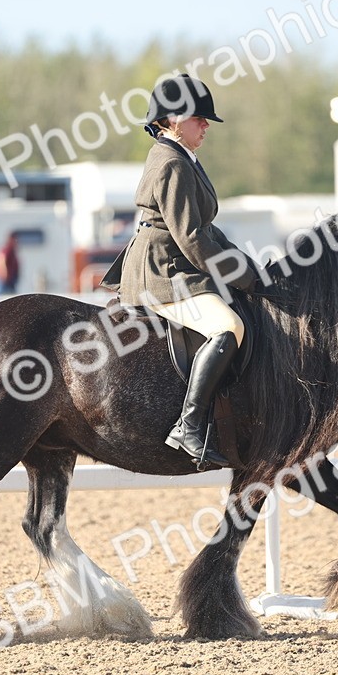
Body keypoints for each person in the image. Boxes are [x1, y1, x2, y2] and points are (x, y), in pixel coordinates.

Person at [100, 74, 258, 467]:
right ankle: (187, 427)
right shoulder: (171, 163)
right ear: (172, 119)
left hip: (177, 265)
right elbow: (191, 238)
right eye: (199, 118)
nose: (206, 125)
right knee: (228, 327)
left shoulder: (184, 157)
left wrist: (248, 267)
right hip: (163, 272)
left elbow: (208, 229)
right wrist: (243, 277)